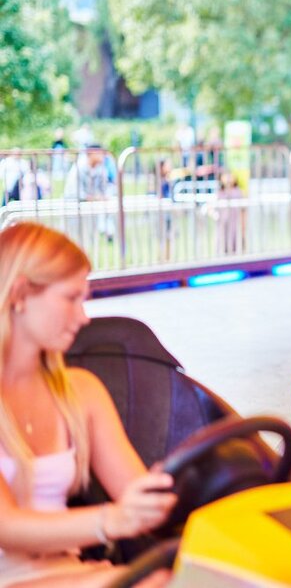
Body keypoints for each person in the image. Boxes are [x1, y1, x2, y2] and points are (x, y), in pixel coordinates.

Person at [0, 222, 177, 586]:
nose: (83, 317)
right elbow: (7, 526)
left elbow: (134, 490)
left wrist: (177, 492)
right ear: (19, 294)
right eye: (70, 298)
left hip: (66, 569)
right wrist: (110, 520)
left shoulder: (80, 393)